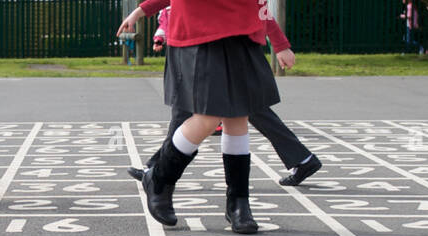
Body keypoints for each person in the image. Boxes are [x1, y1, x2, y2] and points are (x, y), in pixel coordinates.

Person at [118, 0, 281, 235]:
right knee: (208, 117)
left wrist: (280, 42)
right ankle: (161, 178)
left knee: (238, 118)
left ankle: (239, 202)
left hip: (243, 31)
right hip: (199, 31)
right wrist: (142, 10)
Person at [128, 6, 321, 188]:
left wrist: (280, 45)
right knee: (245, 111)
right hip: (202, 48)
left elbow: (258, 7)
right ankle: (302, 159)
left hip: (225, 50)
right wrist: (140, 11)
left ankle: (156, 170)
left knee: (193, 111)